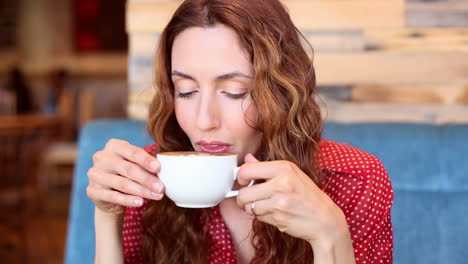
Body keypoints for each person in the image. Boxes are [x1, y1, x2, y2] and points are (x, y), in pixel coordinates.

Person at [86, 0, 393, 263]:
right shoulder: (143, 179)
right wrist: (107, 216)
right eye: (186, 90)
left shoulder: (354, 181)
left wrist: (330, 236)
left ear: (281, 91)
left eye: (234, 92)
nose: (204, 120)